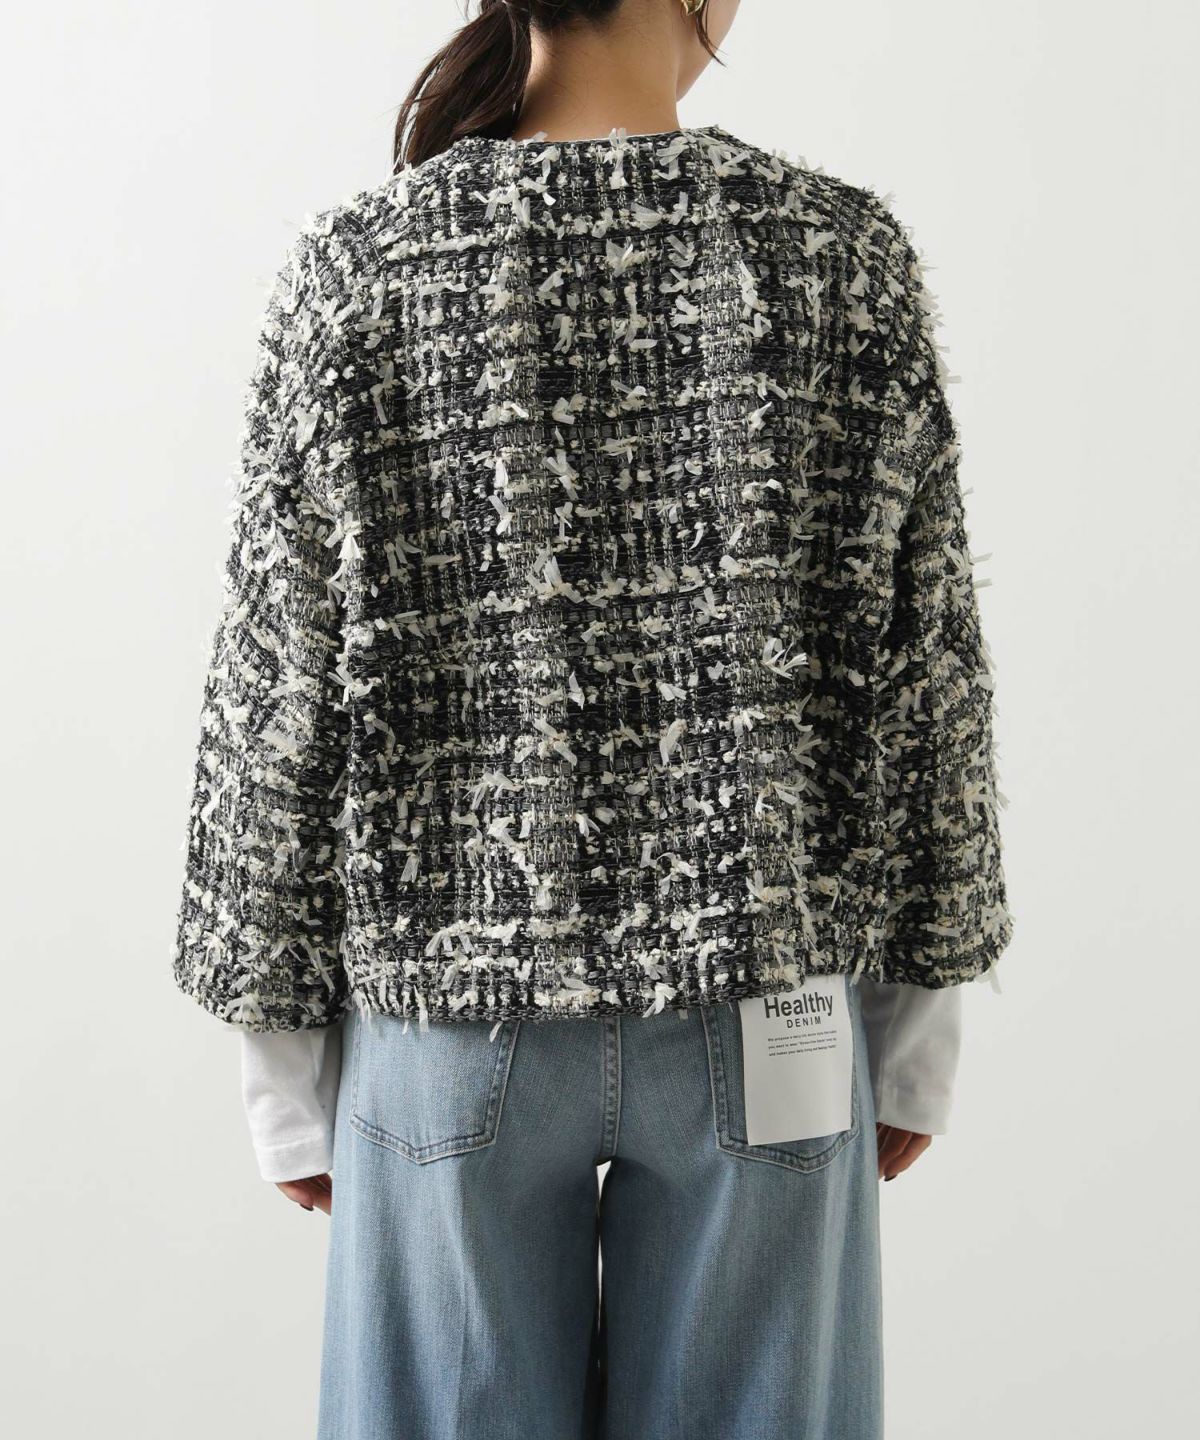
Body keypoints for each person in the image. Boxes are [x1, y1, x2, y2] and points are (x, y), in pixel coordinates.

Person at [172, 1, 1013, 1435]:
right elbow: (926, 666)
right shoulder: (838, 257)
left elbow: (274, 687)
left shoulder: (363, 269)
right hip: (770, 1003)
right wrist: (918, 1019)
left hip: (447, 1006)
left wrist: (280, 1064)